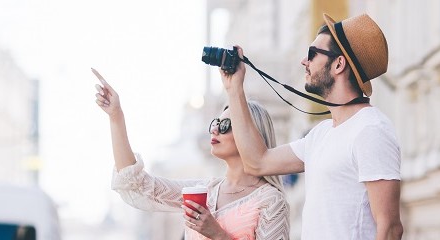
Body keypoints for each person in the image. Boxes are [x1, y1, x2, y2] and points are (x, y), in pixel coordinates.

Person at [220, 13, 403, 240]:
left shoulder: (371, 131)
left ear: (338, 64)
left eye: (312, 54)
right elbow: (257, 162)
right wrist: (234, 88)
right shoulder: (322, 133)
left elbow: (390, 228)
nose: (304, 61)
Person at [93, 74, 290, 240]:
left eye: (224, 126)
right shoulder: (205, 192)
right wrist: (116, 116)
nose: (214, 130)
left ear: (251, 134)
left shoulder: (271, 200)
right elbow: (138, 185)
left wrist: (218, 234)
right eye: (215, 123)